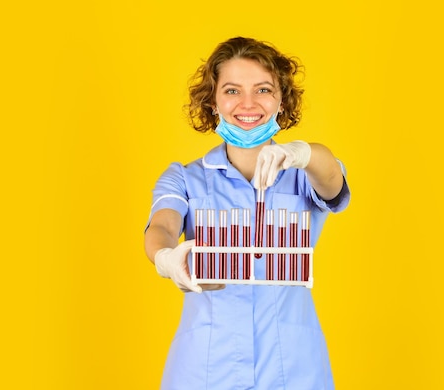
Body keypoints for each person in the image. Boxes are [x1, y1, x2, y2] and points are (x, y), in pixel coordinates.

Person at [144, 36, 350, 389]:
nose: (249, 104)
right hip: (205, 370)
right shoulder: (184, 178)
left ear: (282, 100)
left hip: (293, 369)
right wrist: (165, 256)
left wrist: (302, 153)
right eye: (232, 91)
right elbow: (162, 225)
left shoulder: (305, 173)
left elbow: (332, 180)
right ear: (213, 101)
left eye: (264, 89)